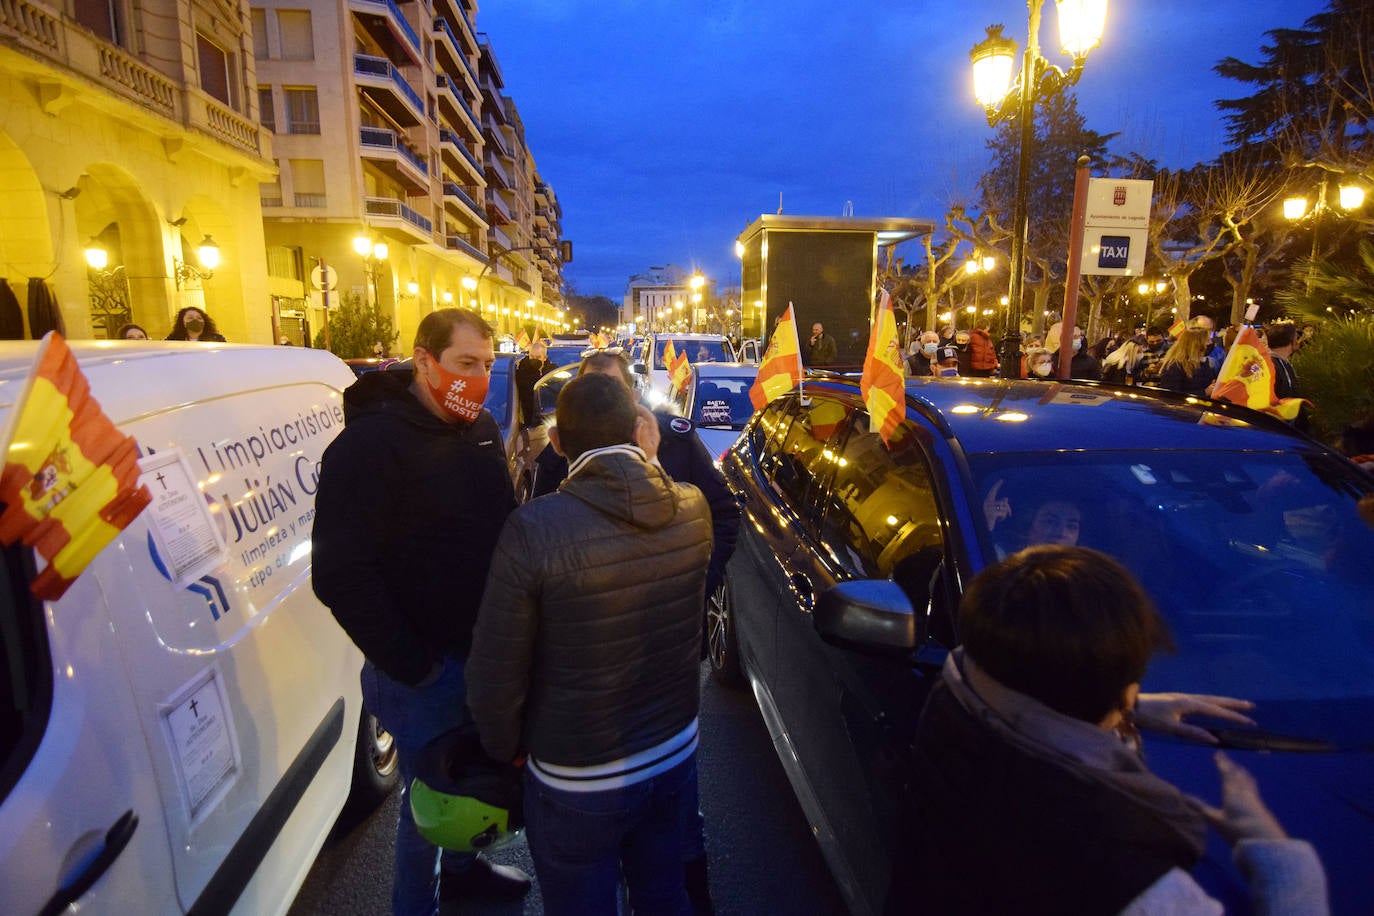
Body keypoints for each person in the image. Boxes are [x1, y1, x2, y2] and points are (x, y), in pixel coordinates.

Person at [904, 545, 1327, 915]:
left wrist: (1128, 706)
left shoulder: (956, 695)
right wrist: (1280, 856)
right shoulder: (1130, 877)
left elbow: (1023, 694)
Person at [466, 372, 713, 915]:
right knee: (664, 892)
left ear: (556, 442)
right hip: (673, 750)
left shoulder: (534, 528)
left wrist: (504, 750)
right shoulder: (694, 508)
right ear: (640, 428)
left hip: (577, 775)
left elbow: (495, 675)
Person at [311, 308, 530, 915]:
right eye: (466, 364)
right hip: (422, 670)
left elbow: (503, 520)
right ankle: (419, 905)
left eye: (487, 365)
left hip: (483, 654)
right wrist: (412, 663)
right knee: (429, 804)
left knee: (473, 780)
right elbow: (337, 573)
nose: (480, 378)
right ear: (423, 361)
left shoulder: (481, 429)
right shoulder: (367, 447)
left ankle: (465, 875)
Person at [1154, 328, 1217, 397]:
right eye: (1207, 340)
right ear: (1196, 344)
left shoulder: (1204, 363)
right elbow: (1170, 396)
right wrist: (1204, 392)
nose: (1210, 343)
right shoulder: (1175, 366)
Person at [514, 339, 553, 428]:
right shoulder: (521, 372)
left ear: (545, 358)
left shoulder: (551, 373)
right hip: (526, 421)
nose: (534, 360)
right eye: (532, 357)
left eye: (538, 357)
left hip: (546, 421)